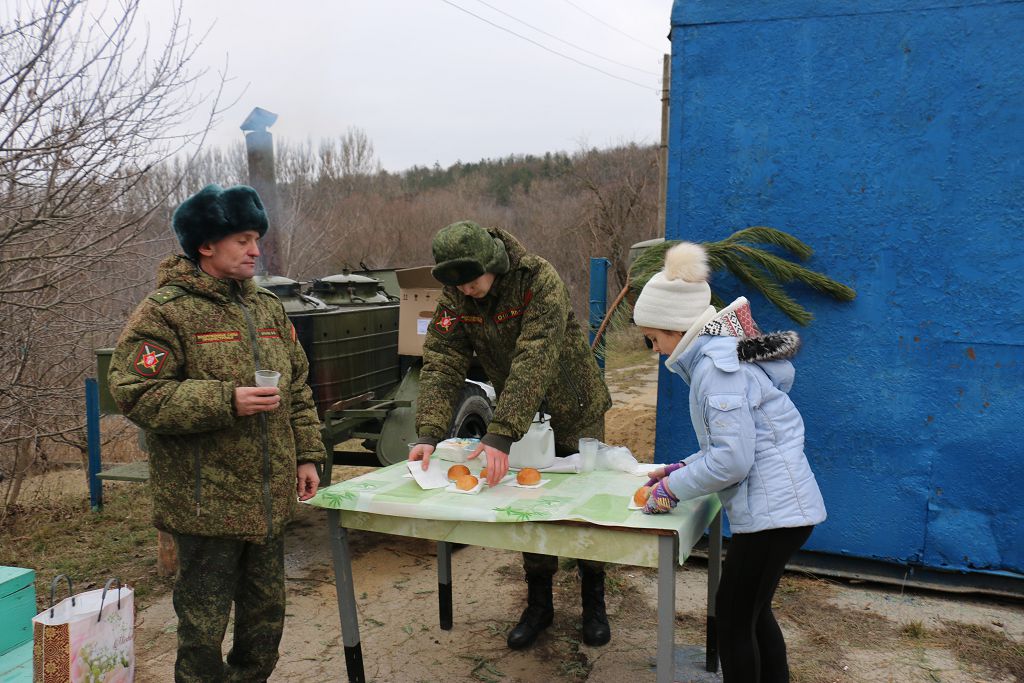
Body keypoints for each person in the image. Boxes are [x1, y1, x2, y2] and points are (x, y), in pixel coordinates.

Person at [108, 184, 325, 683]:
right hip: (205, 504)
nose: (256, 251)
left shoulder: (268, 307)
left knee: (264, 624)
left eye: (256, 240)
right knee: (202, 631)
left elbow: (298, 387)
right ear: (206, 245)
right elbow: (135, 393)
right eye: (243, 240)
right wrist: (226, 400)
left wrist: (307, 455)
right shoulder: (165, 312)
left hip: (267, 501)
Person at [408, 220, 614, 649]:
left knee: (584, 507)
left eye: (471, 280)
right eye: (457, 284)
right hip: (525, 418)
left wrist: (501, 431)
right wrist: (429, 431)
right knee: (530, 504)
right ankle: (539, 605)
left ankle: (594, 601)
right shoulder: (456, 296)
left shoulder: (536, 279)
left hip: (574, 409)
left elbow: (535, 356)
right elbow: (442, 360)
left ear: (492, 262)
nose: (466, 290)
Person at [633, 241, 827, 683]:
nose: (656, 349)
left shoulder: (716, 371)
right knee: (754, 614)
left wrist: (670, 491)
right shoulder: (719, 358)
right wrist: (682, 468)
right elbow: (732, 446)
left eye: (654, 338)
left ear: (676, 328)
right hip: (781, 513)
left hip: (773, 517)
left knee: (735, 619)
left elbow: (731, 461)